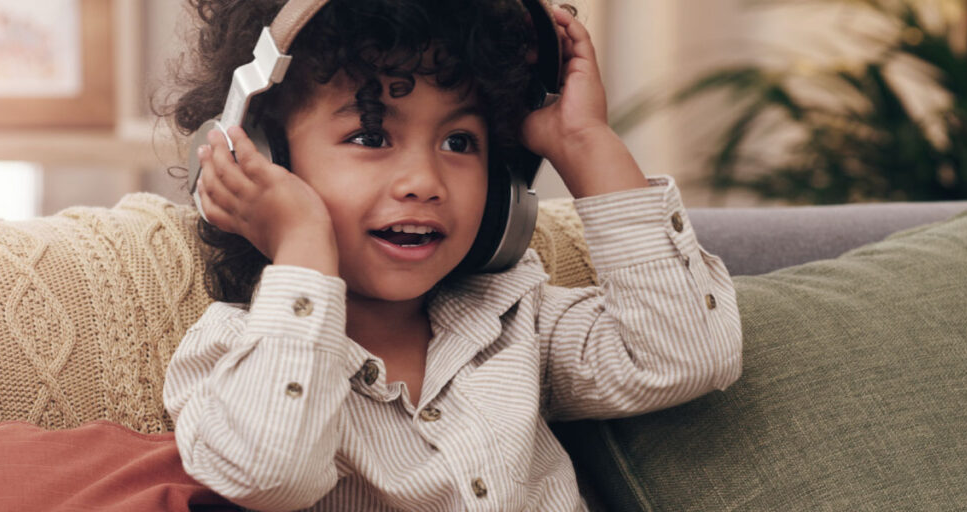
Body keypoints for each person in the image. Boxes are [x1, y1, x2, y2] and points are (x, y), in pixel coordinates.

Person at [161, 0, 743, 510]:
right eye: (371, 136)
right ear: (255, 157)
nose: (424, 181)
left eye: (459, 142)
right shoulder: (230, 353)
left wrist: (584, 141)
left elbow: (686, 354)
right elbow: (268, 474)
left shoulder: (517, 322)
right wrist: (303, 246)